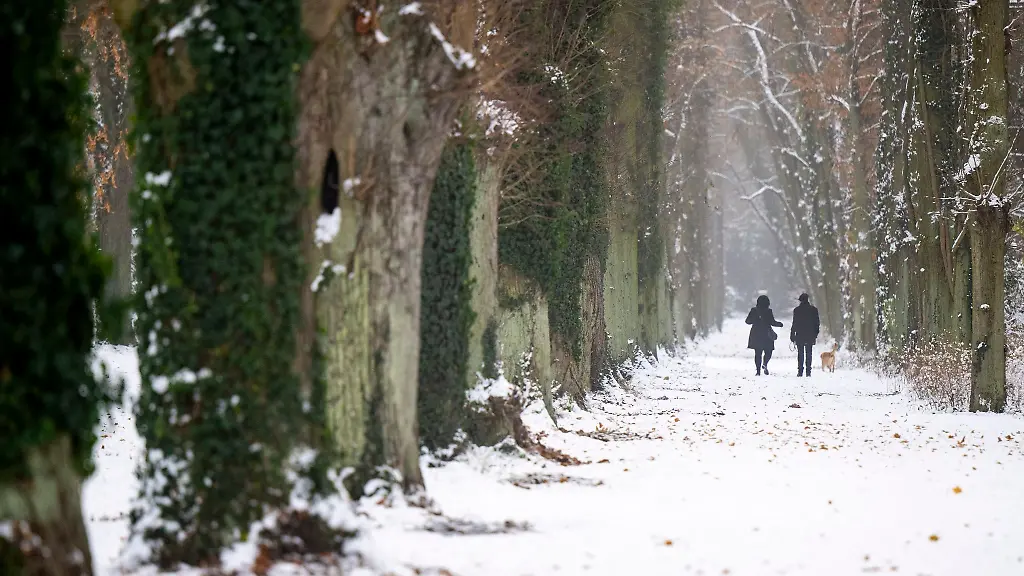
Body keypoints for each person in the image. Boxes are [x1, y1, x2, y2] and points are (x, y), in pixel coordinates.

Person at [745, 295, 783, 376]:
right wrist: (779, 324)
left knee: (758, 353)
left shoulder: (754, 310)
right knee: (768, 351)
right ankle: (765, 363)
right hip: (767, 334)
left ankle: (758, 371)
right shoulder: (768, 311)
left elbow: (747, 321)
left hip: (756, 334)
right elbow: (772, 322)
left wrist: (755, 320)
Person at [790, 293, 820, 377]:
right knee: (809, 352)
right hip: (810, 334)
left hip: (800, 334)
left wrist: (792, 334)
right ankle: (808, 371)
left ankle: (800, 371)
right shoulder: (814, 310)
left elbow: (794, 323)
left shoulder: (797, 310)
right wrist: (815, 334)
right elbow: (817, 323)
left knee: (800, 353)